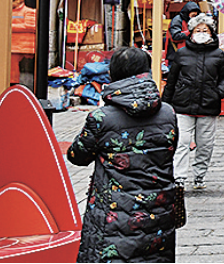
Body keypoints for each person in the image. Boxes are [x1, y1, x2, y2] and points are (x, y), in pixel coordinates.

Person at [68, 47, 182, 263]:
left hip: (114, 215)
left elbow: (77, 155)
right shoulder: (168, 112)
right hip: (158, 210)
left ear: (114, 74)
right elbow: (170, 151)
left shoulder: (101, 117)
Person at [161, 14, 224, 190]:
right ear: (191, 33)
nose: (201, 33)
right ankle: (179, 177)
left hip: (208, 107)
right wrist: (166, 103)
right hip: (182, 105)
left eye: (205, 30)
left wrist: (218, 93)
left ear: (211, 33)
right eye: (198, 30)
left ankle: (199, 175)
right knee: (181, 143)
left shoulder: (218, 54)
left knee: (205, 145)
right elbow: (172, 79)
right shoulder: (182, 54)